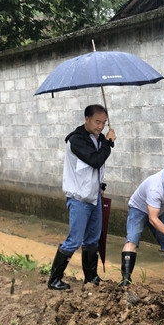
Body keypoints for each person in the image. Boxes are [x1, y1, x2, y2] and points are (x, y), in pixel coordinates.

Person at [47, 104, 116, 290]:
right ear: (87, 119)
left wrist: (100, 186)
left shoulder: (97, 138)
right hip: (78, 198)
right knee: (74, 240)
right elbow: (95, 161)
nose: (101, 126)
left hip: (94, 197)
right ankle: (54, 280)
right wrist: (108, 143)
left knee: (92, 239)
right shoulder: (76, 140)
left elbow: (94, 171)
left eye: (104, 123)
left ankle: (91, 278)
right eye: (97, 122)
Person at [119, 158, 164, 286]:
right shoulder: (155, 188)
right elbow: (153, 219)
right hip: (139, 209)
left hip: (158, 211)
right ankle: (126, 280)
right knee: (132, 241)